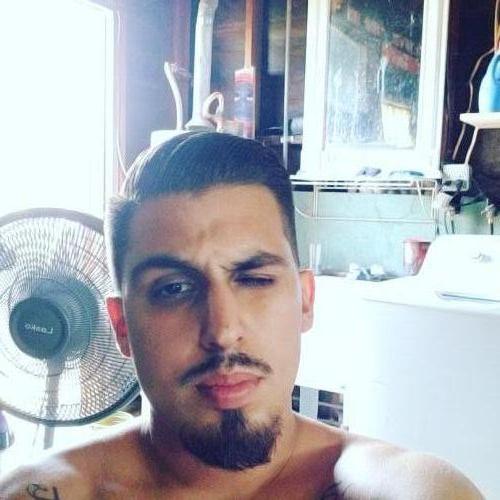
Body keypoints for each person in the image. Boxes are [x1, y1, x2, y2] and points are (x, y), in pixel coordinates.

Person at [0, 133, 483, 499]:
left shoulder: (394, 485)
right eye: (173, 289)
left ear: (305, 300)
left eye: (254, 279)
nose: (223, 331)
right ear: (122, 325)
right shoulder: (49, 490)